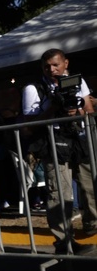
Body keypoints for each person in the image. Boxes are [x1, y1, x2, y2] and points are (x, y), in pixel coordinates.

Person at [21, 48, 96, 255]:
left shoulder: (78, 82)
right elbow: (29, 125)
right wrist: (53, 108)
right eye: (46, 66)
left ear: (66, 64)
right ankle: (65, 244)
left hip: (78, 140)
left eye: (55, 65)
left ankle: (91, 223)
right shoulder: (33, 89)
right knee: (60, 195)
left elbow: (88, 110)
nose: (51, 70)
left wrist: (78, 110)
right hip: (53, 143)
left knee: (90, 186)